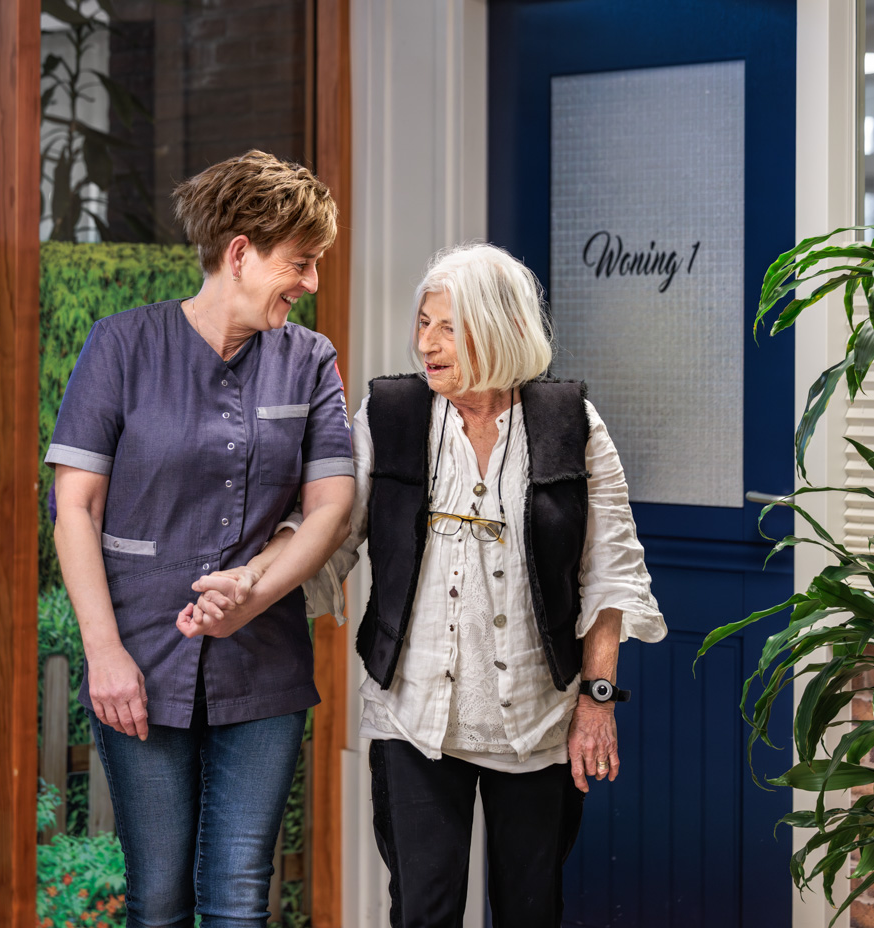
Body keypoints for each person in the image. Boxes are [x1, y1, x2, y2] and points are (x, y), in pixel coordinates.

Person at [189, 242, 666, 926]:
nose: (427, 344)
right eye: (423, 324)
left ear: (501, 329)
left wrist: (597, 701)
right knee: (422, 912)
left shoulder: (572, 423)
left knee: (532, 912)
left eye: (449, 327)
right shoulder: (391, 415)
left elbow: (610, 570)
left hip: (537, 721)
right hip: (414, 718)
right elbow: (328, 527)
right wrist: (252, 578)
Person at [47, 150, 356, 928]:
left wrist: (254, 591)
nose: (312, 282)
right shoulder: (120, 346)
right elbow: (75, 509)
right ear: (240, 253)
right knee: (158, 897)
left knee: (241, 894)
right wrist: (104, 653)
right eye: (301, 263)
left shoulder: (310, 361)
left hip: (266, 662)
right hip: (140, 657)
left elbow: (330, 506)